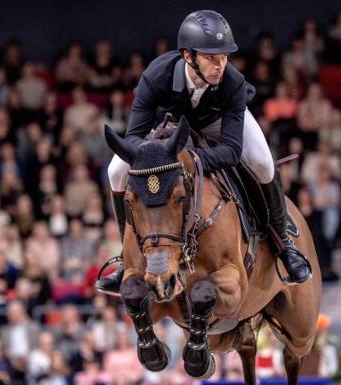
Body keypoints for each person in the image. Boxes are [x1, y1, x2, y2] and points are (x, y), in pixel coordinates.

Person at [97, 10, 312, 295]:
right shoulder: (156, 75)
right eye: (211, 57)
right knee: (115, 172)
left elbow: (232, 150)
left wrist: (190, 160)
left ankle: (284, 244)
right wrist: (160, 159)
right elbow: (135, 136)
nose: (220, 65)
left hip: (218, 124)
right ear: (188, 56)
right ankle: (127, 260)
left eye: (224, 57)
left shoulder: (232, 83)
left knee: (262, 162)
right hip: (169, 131)